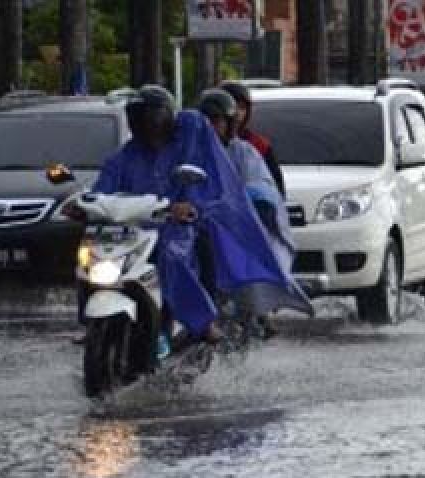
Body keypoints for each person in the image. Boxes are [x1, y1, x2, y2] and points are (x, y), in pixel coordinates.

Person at [91, 85, 311, 344]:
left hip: (180, 226)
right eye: (142, 118)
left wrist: (192, 205)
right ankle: (95, 323)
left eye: (153, 117)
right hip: (135, 230)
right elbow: (100, 190)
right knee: (93, 255)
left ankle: (201, 320)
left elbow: (220, 188)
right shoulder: (123, 157)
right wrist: (84, 204)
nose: (149, 125)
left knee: (174, 255)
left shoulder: (204, 148)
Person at [198, 87, 298, 338]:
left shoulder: (246, 151)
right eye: (206, 120)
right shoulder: (186, 151)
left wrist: (248, 200)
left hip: (234, 228)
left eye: (217, 121)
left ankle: (254, 311)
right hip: (188, 227)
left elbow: (264, 187)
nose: (211, 127)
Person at [220, 81, 286, 198]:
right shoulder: (201, 144)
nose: (238, 114)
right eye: (233, 107)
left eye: (242, 108)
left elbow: (276, 194)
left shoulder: (259, 145)